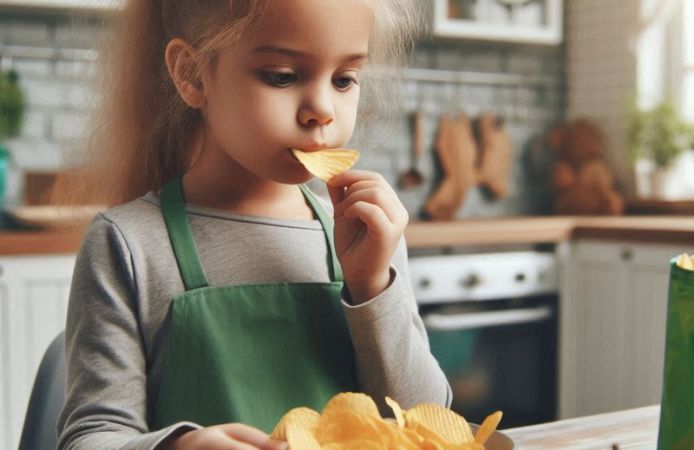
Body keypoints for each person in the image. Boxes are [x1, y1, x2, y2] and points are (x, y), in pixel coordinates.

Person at [55, 1, 451, 449]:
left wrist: (374, 287)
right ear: (192, 74)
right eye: (282, 75)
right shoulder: (128, 244)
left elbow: (429, 426)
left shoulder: (365, 236)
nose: (322, 109)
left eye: (344, 79)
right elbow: (90, 439)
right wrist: (180, 446)